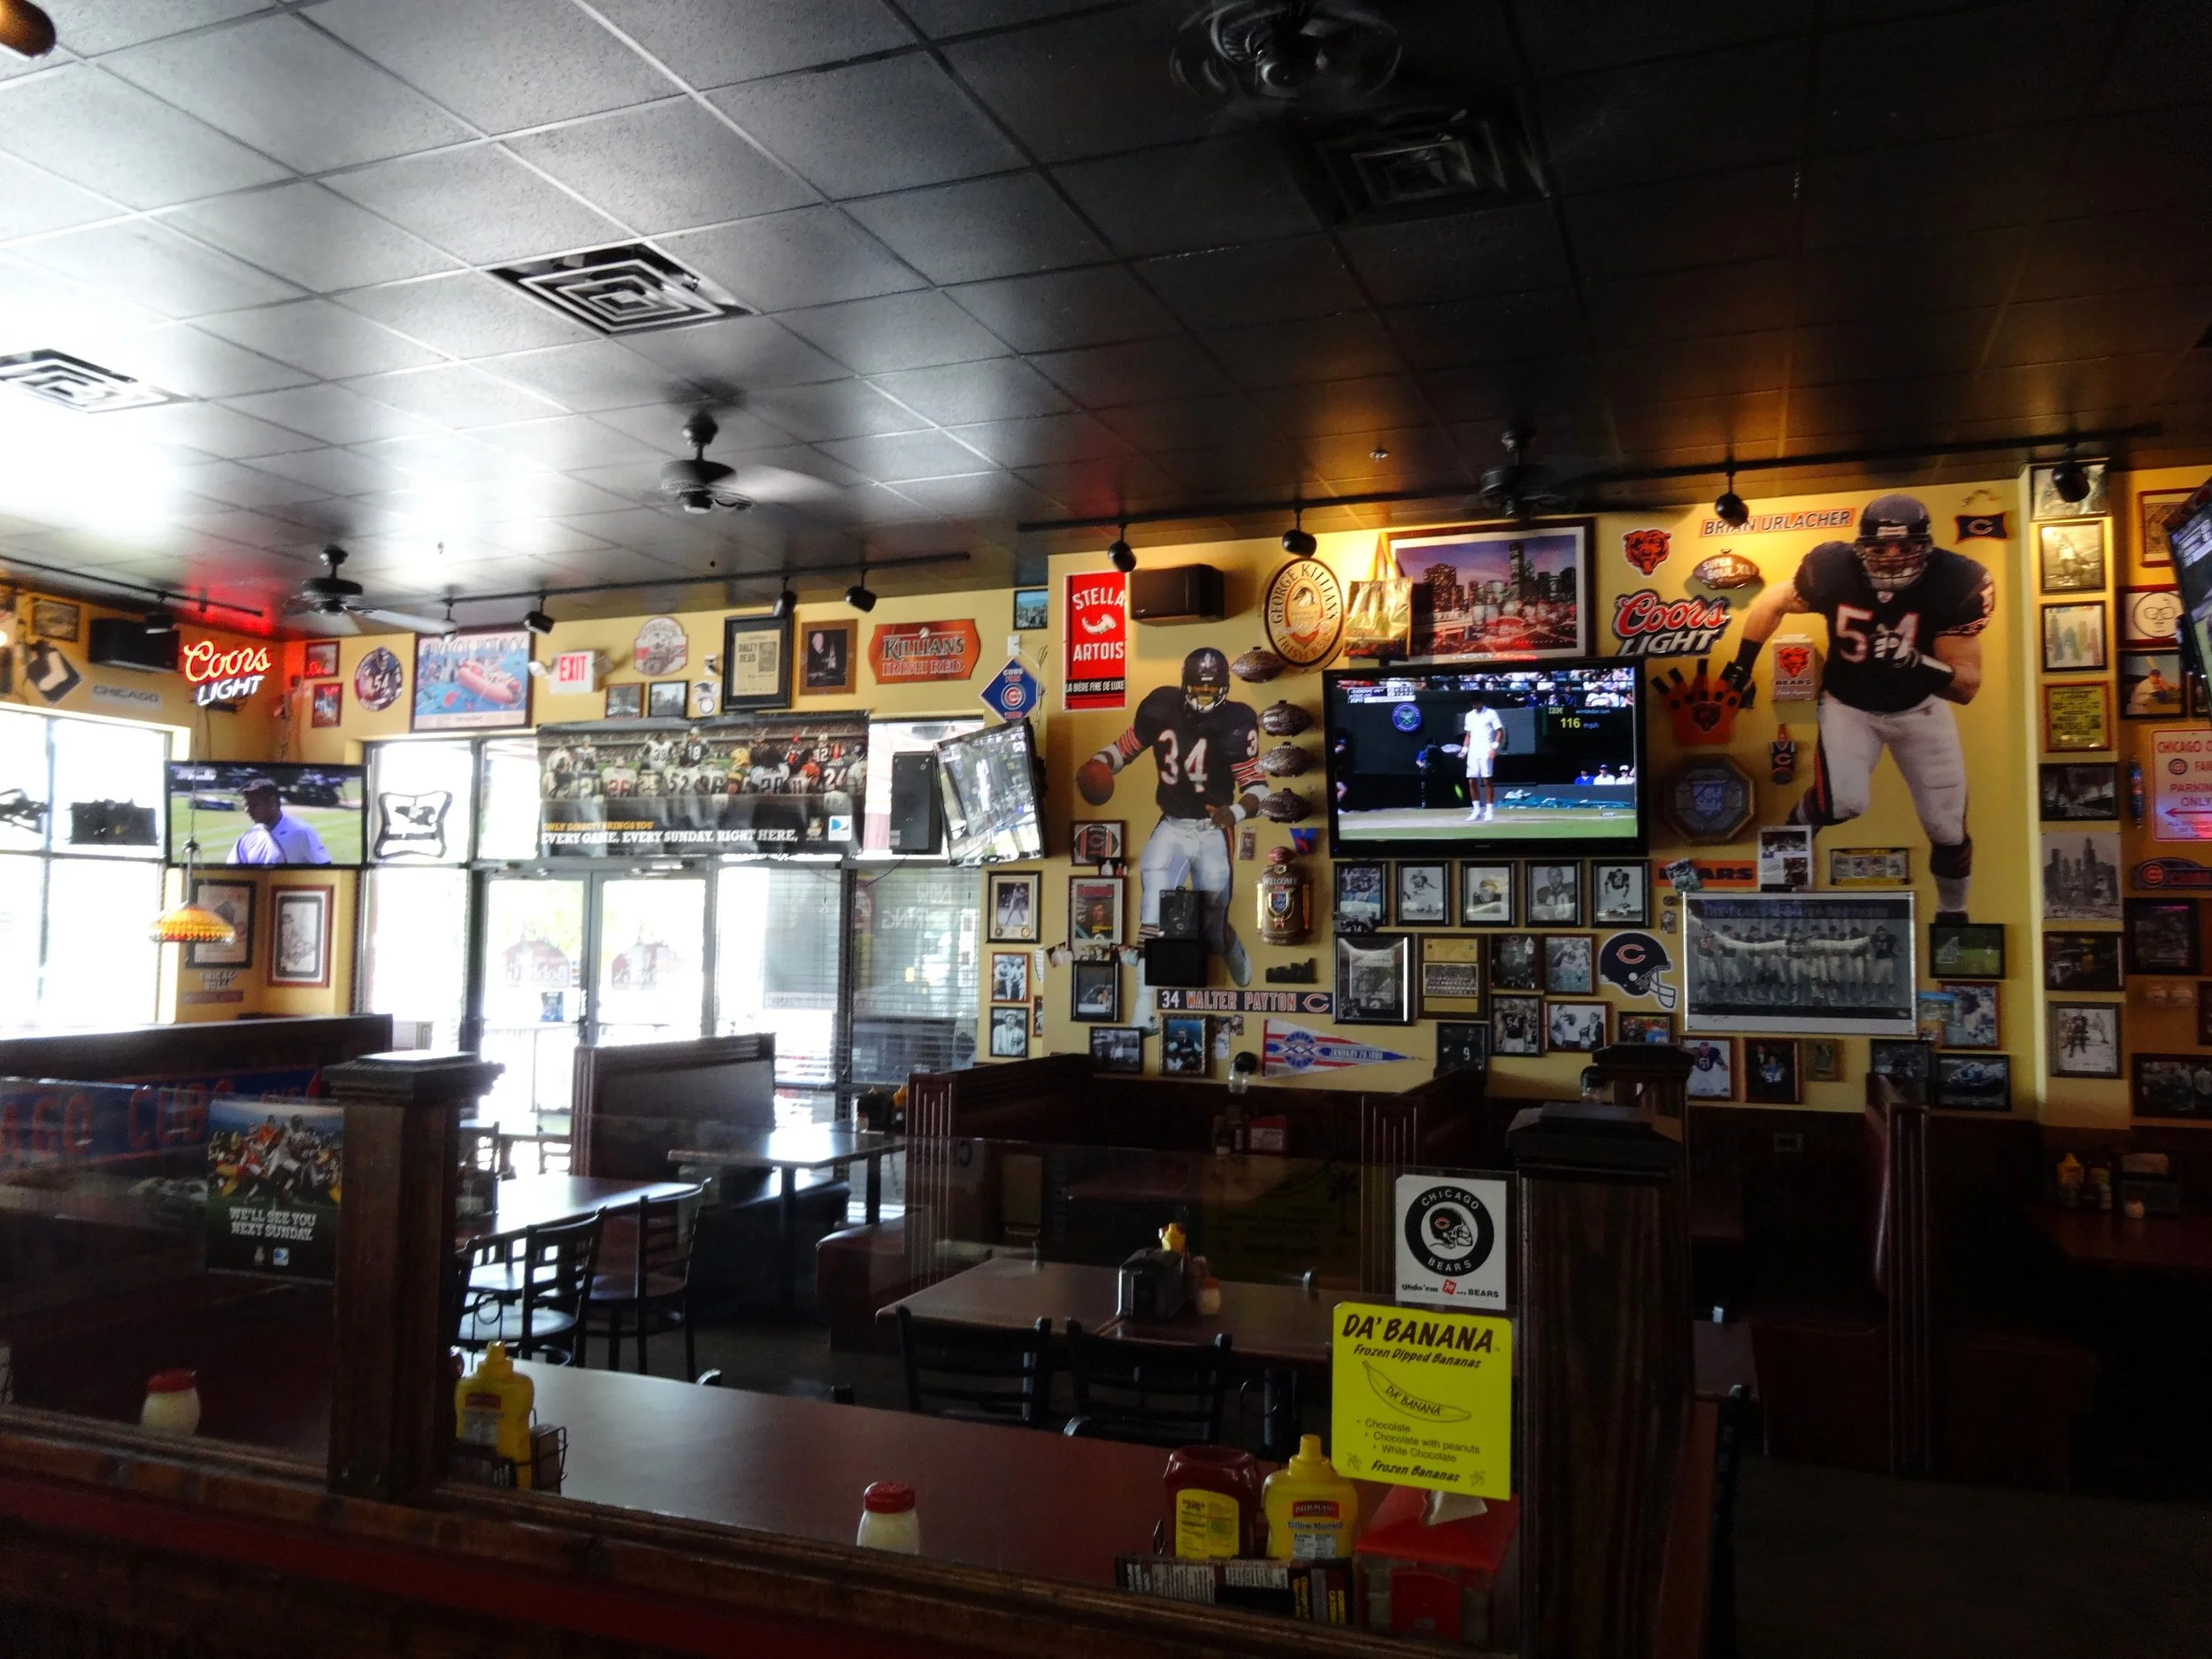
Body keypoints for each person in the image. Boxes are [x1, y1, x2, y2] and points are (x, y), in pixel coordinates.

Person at [1723, 493, 1992, 922]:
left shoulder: (1955, 581)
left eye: (1905, 547)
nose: (1892, 557)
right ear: (1860, 545)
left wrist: (1917, 663)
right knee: (1842, 803)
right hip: (1849, 704)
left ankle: (1952, 916)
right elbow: (1772, 601)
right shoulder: (1833, 569)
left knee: (1945, 827)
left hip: (1918, 709)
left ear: (1925, 546)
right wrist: (1741, 666)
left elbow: (1966, 687)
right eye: (1881, 547)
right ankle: (1779, 872)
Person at [1076, 648, 1261, 986]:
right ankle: (1145, 1003)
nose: (1204, 699)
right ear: (1184, 686)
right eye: (1198, 690)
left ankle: (1227, 940)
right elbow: (1125, 749)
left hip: (1212, 829)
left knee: (1212, 924)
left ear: (1224, 689)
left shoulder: (1238, 721)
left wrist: (1234, 811)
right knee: (1153, 909)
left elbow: (1258, 787)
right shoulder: (1160, 706)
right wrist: (1101, 762)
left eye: (1211, 691)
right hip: (1172, 823)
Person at [227, 778, 331, 865]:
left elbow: (325, 869)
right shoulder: (247, 838)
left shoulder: (301, 832)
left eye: (253, 805)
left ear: (272, 803)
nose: (247, 810)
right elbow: (232, 873)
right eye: (246, 805)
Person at [1458, 694, 1507, 821]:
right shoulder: (1469, 716)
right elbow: (1468, 735)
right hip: (1473, 752)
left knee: (1487, 780)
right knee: (1471, 780)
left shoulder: (1491, 713)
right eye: (1473, 703)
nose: (1474, 705)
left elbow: (1500, 731)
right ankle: (1476, 811)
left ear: (1481, 702)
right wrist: (1464, 750)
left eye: (1476, 702)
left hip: (1486, 751)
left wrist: (1494, 748)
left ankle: (1489, 811)